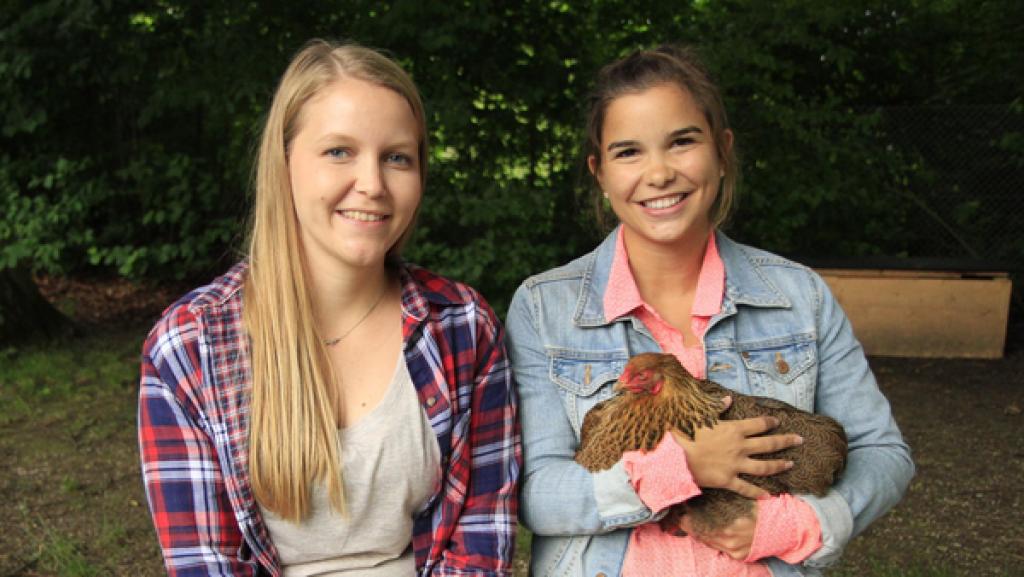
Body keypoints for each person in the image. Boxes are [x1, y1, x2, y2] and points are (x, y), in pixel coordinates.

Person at [506, 45, 913, 577]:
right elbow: (533, 492)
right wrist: (680, 467)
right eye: (628, 152)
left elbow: (882, 453)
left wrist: (791, 524)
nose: (659, 173)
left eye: (682, 141)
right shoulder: (544, 307)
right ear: (599, 173)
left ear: (722, 151)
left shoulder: (799, 296)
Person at [138, 39, 520, 576]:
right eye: (339, 151)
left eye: (397, 158)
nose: (373, 185)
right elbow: (205, 562)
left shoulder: (463, 328)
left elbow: (480, 539)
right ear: (284, 164)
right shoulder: (188, 347)